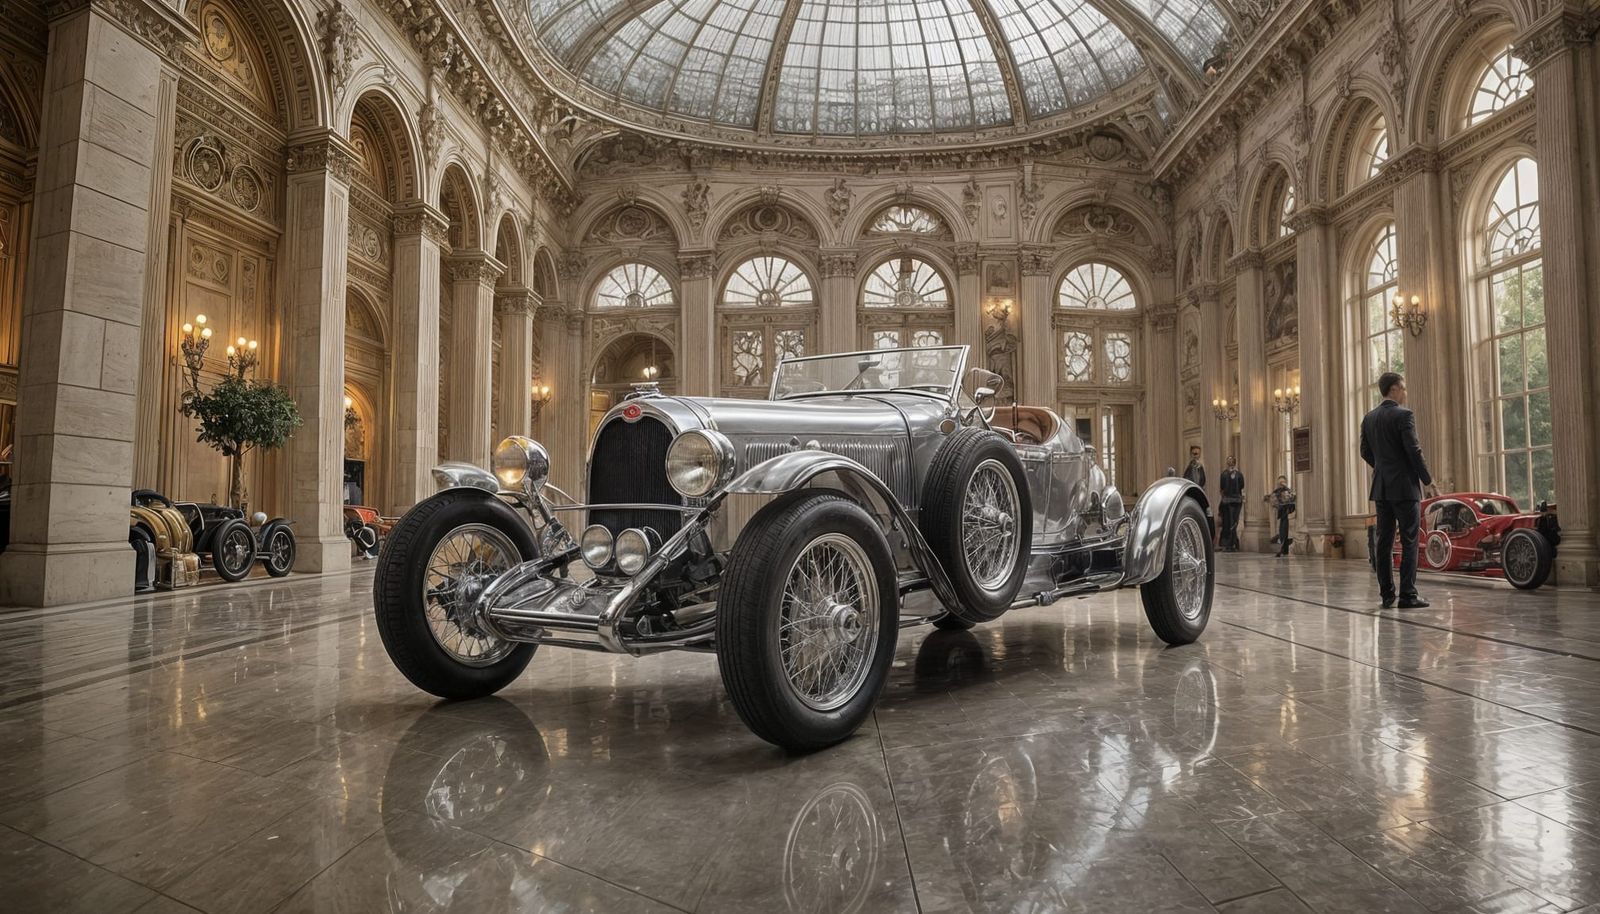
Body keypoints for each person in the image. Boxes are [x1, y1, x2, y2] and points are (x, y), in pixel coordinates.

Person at [1360, 371, 1434, 609]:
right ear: (1393, 389)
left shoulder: (1369, 418)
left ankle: (1387, 595)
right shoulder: (1404, 415)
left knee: (1384, 541)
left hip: (1382, 487)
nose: (1405, 393)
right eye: (1403, 388)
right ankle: (1408, 595)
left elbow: (1364, 451)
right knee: (1410, 540)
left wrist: (1382, 467)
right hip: (1404, 487)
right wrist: (1427, 480)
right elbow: (1414, 450)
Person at [1219, 456, 1244, 551]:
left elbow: (1242, 485)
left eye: (1231, 460)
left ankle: (1233, 543)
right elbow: (1222, 487)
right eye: (1228, 460)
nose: (1230, 462)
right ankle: (1229, 543)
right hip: (1227, 501)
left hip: (1236, 500)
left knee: (1234, 521)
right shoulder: (1224, 474)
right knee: (1227, 522)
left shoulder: (1239, 474)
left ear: (1234, 462)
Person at [1266, 476, 1296, 556]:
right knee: (1281, 532)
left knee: (1285, 532)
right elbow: (1273, 502)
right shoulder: (1276, 492)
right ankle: (1281, 549)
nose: (1282, 484)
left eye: (1283, 482)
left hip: (1286, 514)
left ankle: (1284, 549)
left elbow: (1292, 500)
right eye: (1280, 482)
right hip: (1279, 514)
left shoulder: (1288, 491)